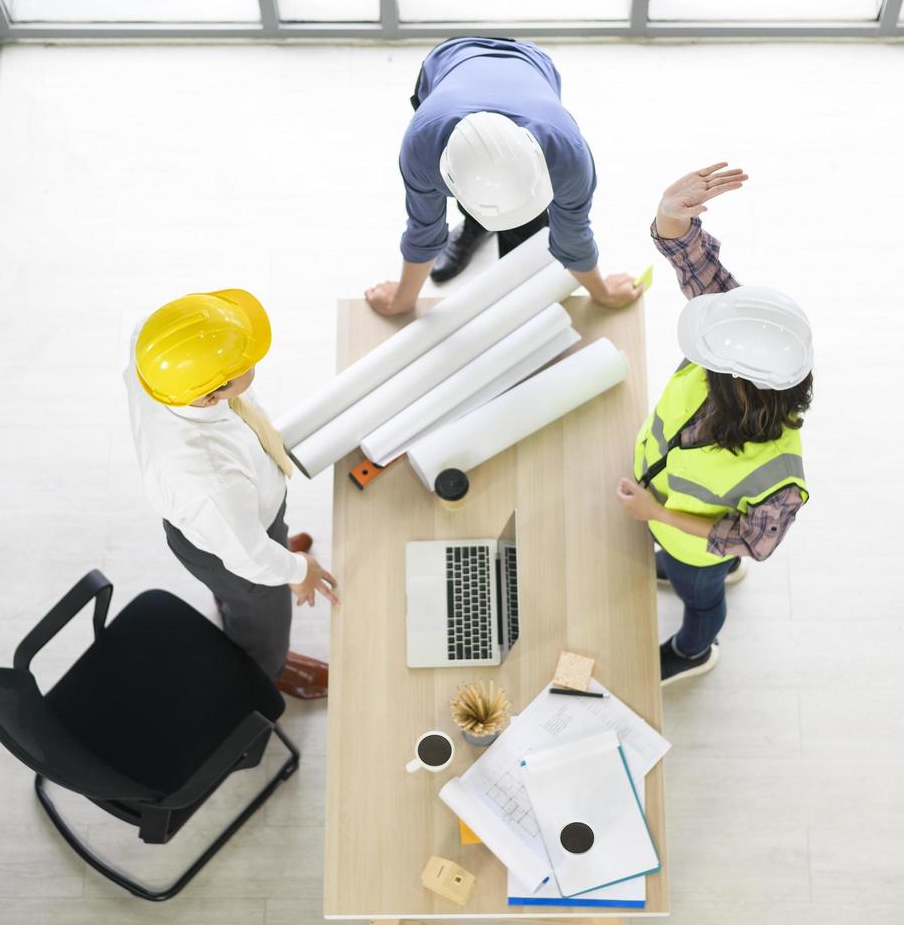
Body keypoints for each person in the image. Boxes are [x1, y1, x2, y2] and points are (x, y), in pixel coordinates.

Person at [616, 162, 814, 685]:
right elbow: (698, 269)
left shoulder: (780, 476)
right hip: (660, 516)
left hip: (691, 543)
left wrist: (655, 512)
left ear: (734, 384)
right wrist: (669, 216)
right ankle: (706, 570)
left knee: (698, 599)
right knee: (688, 566)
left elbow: (753, 541)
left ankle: (693, 652)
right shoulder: (738, 346)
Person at [125, 288, 339, 700]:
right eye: (243, 362)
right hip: (233, 547)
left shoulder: (152, 350)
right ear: (209, 395)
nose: (250, 357)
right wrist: (298, 570)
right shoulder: (210, 478)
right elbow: (250, 557)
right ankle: (269, 669)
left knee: (258, 542)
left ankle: (258, 568)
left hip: (236, 520)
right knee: (264, 616)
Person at [363, 37, 642, 317]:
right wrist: (402, 301)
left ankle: (510, 237)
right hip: (450, 60)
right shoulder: (423, 149)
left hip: (531, 63)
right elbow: (423, 230)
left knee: (524, 232)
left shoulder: (568, 155)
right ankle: (477, 224)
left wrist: (601, 293)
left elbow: (573, 235)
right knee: (480, 175)